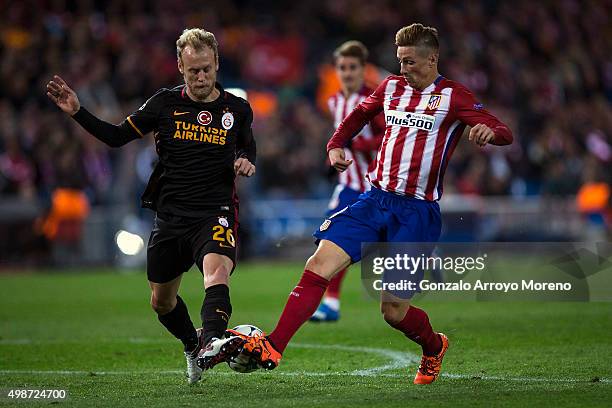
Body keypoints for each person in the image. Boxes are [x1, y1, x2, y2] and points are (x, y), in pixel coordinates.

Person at [217, 23, 513, 385]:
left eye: (410, 62)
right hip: (373, 201)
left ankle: (434, 347)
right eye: (400, 61)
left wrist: (489, 133)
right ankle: (274, 346)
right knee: (317, 264)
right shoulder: (391, 88)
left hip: (416, 214)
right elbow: (357, 116)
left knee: (393, 311)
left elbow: (503, 130)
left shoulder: (454, 97)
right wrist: (335, 145)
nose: (403, 69)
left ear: (432, 58)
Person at [46, 28, 256, 384]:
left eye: (206, 68)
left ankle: (213, 340)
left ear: (217, 63)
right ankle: (192, 344)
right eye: (193, 71)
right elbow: (116, 137)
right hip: (171, 216)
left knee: (216, 273)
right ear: (180, 67)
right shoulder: (163, 104)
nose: (201, 77)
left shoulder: (237, 109)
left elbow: (247, 146)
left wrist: (246, 160)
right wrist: (78, 112)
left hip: (215, 211)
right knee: (161, 302)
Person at [310, 40, 385, 322]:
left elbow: (387, 136)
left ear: (363, 69)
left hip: (373, 184)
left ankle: (427, 250)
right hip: (349, 185)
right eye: (342, 67)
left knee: (377, 242)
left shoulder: (372, 101)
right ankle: (331, 302)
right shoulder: (335, 101)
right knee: (332, 238)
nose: (347, 73)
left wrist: (360, 146)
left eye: (353, 67)